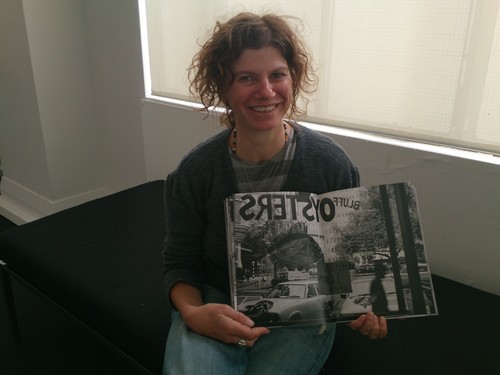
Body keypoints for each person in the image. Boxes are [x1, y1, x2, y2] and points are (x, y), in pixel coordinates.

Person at [161, 12, 387, 375]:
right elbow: (180, 263)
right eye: (246, 77)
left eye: (277, 75)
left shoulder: (331, 164)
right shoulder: (195, 172)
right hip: (217, 297)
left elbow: (351, 262)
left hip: (306, 303)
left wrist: (369, 304)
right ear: (223, 87)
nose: (266, 91)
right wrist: (193, 313)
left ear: (293, 79)